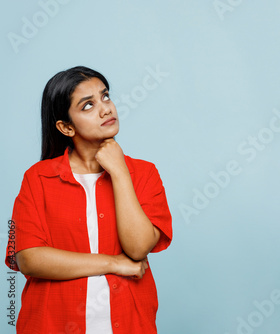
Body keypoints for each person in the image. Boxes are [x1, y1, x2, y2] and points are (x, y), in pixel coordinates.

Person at [4, 66, 173, 333]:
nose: (106, 108)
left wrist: (118, 171)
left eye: (105, 96)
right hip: (53, 324)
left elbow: (138, 248)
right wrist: (114, 263)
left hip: (128, 324)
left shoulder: (143, 174)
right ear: (65, 127)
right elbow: (28, 258)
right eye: (88, 105)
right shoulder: (38, 179)